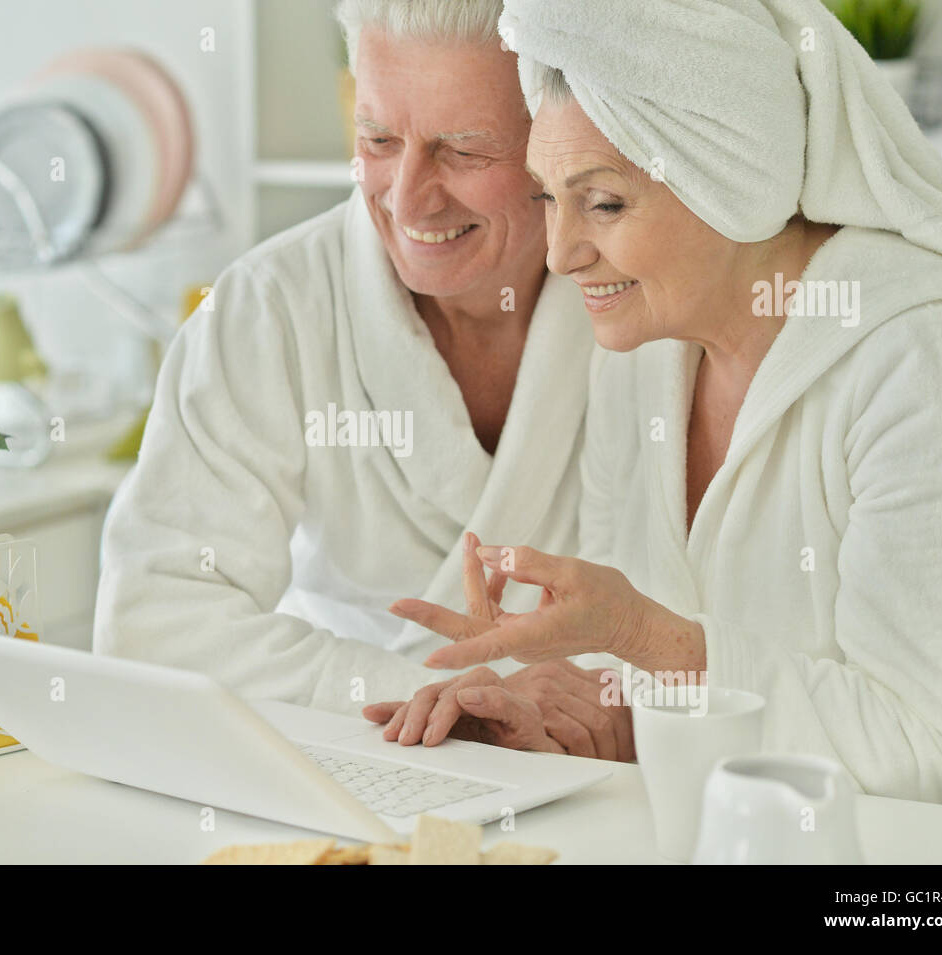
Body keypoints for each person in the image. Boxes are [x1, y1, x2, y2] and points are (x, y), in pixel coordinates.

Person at [370, 0, 942, 810]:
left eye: (603, 204)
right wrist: (555, 713)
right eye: (546, 198)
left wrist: (641, 634)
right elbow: (655, 697)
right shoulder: (646, 347)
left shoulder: (928, 357)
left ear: (728, 178)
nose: (563, 255)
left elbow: (921, 751)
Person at [93, 0, 600, 726]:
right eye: (379, 139)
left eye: (463, 150)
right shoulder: (268, 308)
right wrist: (446, 697)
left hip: (591, 754)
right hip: (341, 746)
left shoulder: (637, 307)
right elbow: (151, 626)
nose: (408, 197)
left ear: (554, 142)